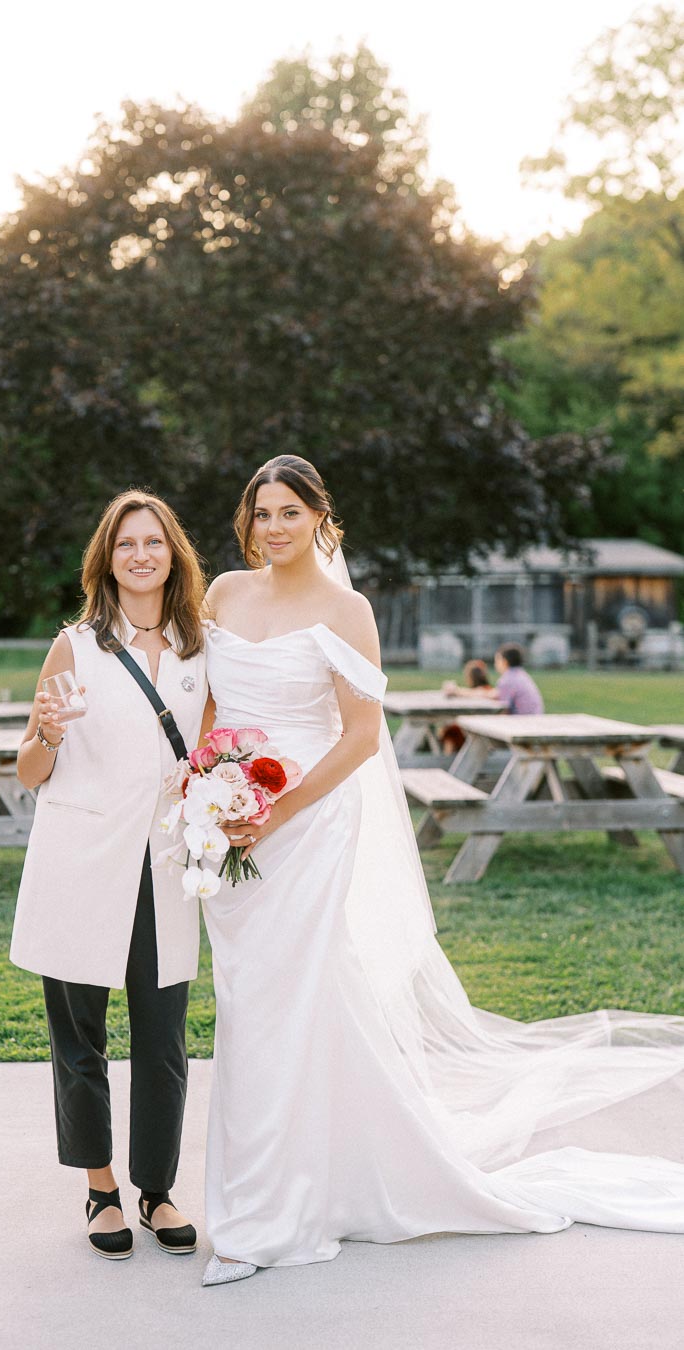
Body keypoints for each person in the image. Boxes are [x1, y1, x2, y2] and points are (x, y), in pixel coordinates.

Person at [197, 453, 684, 1287]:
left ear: (319, 516)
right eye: (261, 512)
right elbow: (211, 703)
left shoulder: (346, 610)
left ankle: (267, 1216)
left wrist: (275, 810)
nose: (273, 528)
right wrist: (208, 790)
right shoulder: (224, 595)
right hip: (227, 821)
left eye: (289, 512)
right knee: (254, 1000)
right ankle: (328, 1170)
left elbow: (357, 737)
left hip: (307, 820)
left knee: (288, 996)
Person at [10, 490, 208, 1261]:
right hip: (81, 868)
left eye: (153, 542)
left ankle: (157, 1189)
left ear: (172, 555)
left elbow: (211, 750)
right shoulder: (75, 647)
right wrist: (47, 736)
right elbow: (30, 771)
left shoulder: (202, 652)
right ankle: (100, 1189)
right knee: (79, 1039)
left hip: (164, 869)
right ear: (107, 557)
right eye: (125, 543)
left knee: (163, 1042)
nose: (140, 554)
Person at [440, 658, 494, 754]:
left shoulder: (482, 693)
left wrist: (455, 690)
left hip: (480, 731)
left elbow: (479, 693)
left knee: (451, 731)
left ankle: (448, 759)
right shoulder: (488, 690)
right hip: (483, 730)